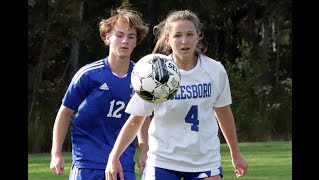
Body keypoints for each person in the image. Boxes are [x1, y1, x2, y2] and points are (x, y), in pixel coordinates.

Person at [105, 9, 249, 180]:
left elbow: (223, 112)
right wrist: (114, 157)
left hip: (204, 161)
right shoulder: (155, 72)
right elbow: (136, 120)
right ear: (167, 39)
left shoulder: (214, 70)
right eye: (177, 35)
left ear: (198, 37)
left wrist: (236, 153)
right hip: (163, 161)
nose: (184, 41)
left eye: (189, 34)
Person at [49, 6, 150, 180]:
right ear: (107, 37)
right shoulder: (88, 74)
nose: (125, 41)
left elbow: (142, 117)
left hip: (123, 162)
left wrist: (144, 149)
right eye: (119, 35)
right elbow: (65, 113)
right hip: (88, 161)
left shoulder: (142, 77)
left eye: (131, 36)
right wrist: (56, 153)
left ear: (136, 42)